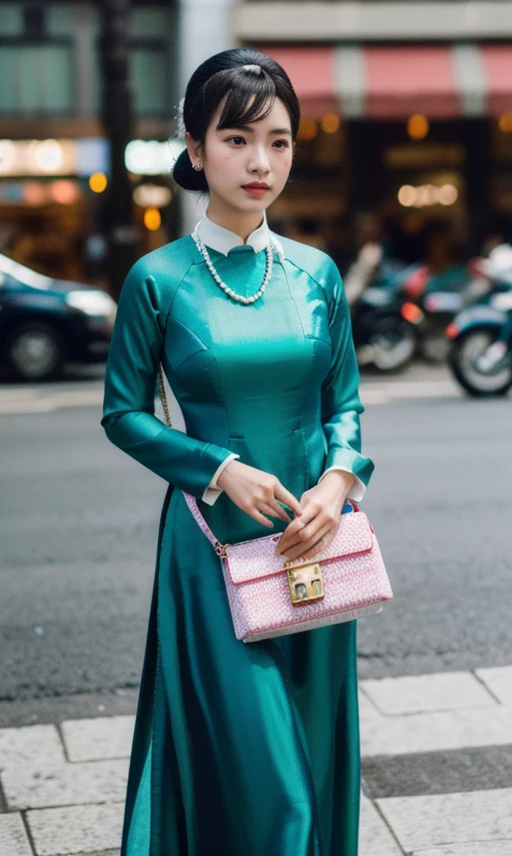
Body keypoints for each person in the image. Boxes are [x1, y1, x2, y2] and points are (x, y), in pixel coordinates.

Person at [101, 47, 374, 856]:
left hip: (315, 543)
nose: (261, 162)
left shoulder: (317, 275)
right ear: (195, 149)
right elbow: (123, 414)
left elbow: (346, 404)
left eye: (281, 141)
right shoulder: (158, 280)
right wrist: (218, 466)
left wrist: (339, 479)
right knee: (273, 787)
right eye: (237, 139)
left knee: (314, 762)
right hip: (213, 549)